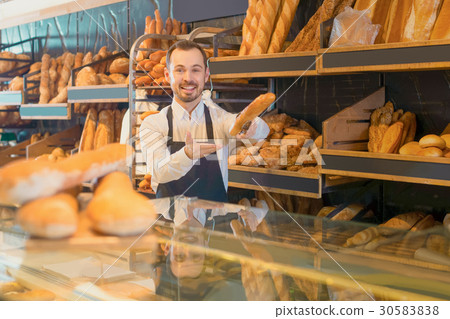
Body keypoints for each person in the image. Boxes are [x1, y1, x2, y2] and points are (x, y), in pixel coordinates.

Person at [139, 40, 269, 202]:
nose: (188, 78)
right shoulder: (153, 124)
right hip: (168, 226)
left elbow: (262, 131)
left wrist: (251, 125)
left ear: (206, 75)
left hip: (214, 224)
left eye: (195, 70)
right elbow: (159, 171)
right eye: (180, 70)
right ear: (167, 75)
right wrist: (187, 155)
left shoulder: (219, 120)